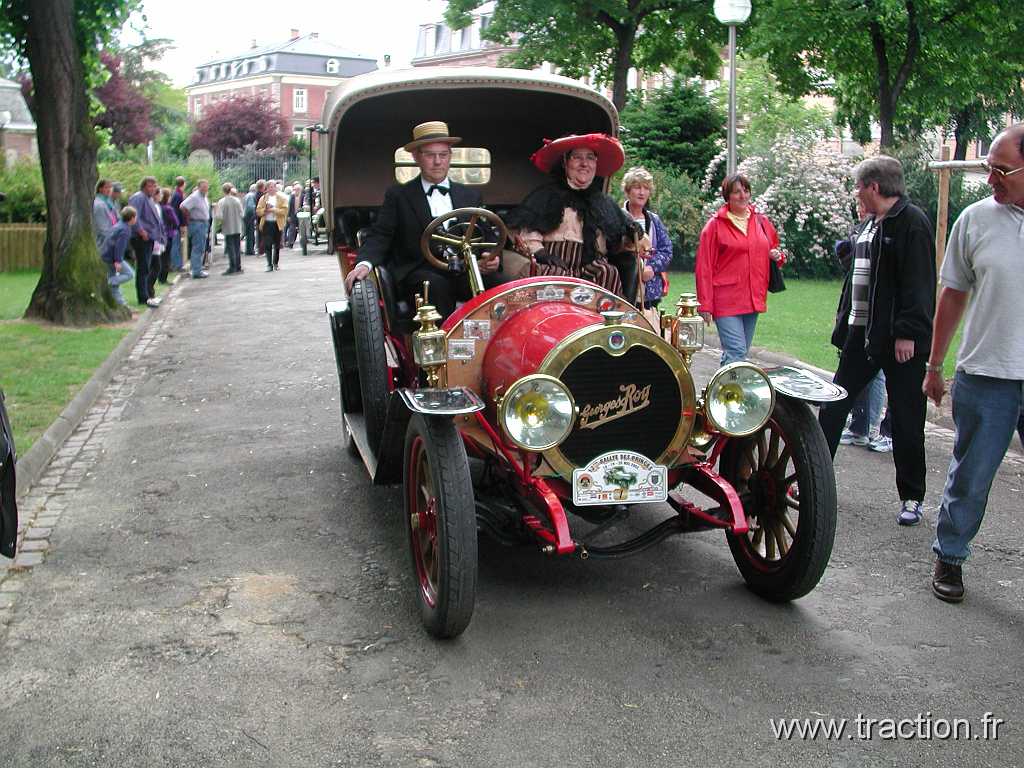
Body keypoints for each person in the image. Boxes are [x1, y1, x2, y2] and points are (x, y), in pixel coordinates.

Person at [923, 123, 1024, 603]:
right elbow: (953, 294)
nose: (990, 179)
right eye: (988, 168)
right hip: (987, 375)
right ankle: (951, 555)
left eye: (1001, 170)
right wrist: (935, 364)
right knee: (972, 475)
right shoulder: (976, 220)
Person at [818, 155, 935, 527]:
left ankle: (912, 498)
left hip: (898, 341)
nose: (856, 193)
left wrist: (907, 333)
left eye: (858, 186)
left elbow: (919, 283)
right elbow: (865, 276)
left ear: (873, 186)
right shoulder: (871, 223)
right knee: (833, 406)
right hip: (861, 336)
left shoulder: (911, 222)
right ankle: (814, 481)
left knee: (906, 419)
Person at [345, 121, 503, 318]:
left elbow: (486, 236)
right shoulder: (398, 196)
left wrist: (492, 259)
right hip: (419, 273)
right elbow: (381, 235)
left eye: (443, 155)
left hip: (463, 271)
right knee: (435, 286)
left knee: (501, 285)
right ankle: (437, 347)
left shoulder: (470, 196)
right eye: (430, 155)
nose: (438, 162)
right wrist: (364, 264)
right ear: (415, 157)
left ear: (450, 156)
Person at [695, 173, 786, 365]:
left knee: (739, 353)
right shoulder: (714, 226)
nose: (743, 196)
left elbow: (774, 250)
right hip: (726, 299)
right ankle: (729, 393)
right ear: (727, 197)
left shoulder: (761, 221)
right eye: (737, 192)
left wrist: (776, 256)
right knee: (736, 351)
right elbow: (704, 267)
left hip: (753, 298)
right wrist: (705, 305)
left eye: (746, 191)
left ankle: (724, 392)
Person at [621, 167, 672, 309]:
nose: (642, 192)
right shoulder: (617, 218)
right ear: (627, 191)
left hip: (650, 292)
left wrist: (650, 267)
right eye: (637, 188)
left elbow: (666, 251)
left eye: (646, 188)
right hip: (622, 290)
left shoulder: (654, 220)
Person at [127, 176, 166, 307]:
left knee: (147, 267)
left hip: (150, 237)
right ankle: (143, 297)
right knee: (143, 267)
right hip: (141, 237)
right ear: (144, 186)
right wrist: (141, 231)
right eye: (150, 186)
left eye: (154, 186)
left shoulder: (148, 199)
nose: (153, 188)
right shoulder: (139, 197)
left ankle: (148, 293)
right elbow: (134, 216)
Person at [100, 205, 137, 306]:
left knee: (115, 286)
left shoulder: (119, 225)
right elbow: (119, 246)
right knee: (130, 274)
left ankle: (122, 304)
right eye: (135, 217)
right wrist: (118, 261)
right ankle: (107, 282)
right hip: (111, 257)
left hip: (106, 255)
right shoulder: (125, 230)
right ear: (132, 217)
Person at [179, 180, 211, 279]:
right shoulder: (194, 197)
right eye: (203, 187)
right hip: (197, 223)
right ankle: (196, 271)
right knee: (198, 247)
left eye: (206, 187)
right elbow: (183, 206)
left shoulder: (203, 196)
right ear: (199, 187)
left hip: (203, 223)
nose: (205, 188)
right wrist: (189, 217)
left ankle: (197, 268)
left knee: (200, 247)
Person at [256, 180, 288, 272]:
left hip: (277, 224)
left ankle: (275, 263)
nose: (271, 189)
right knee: (268, 244)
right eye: (269, 187)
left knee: (277, 245)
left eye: (272, 187)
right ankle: (269, 264)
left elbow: (284, 211)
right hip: (267, 223)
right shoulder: (263, 198)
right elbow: (258, 211)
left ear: (275, 188)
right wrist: (265, 211)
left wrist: (273, 209)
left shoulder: (282, 198)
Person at [218, 183, 245, 275]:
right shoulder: (237, 200)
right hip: (237, 225)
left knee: (230, 247)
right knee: (237, 246)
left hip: (227, 226)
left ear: (223, 191)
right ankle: (238, 266)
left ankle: (232, 266)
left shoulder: (221, 202)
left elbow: (219, 216)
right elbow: (242, 213)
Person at [159, 188, 181, 277]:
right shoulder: (168, 209)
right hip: (168, 233)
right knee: (166, 256)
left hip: (159, 233)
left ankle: (160, 275)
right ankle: (164, 277)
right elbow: (176, 221)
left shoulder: (158, 207)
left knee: (160, 256)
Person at [92, 179, 118, 248]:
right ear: (100, 189)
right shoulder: (99, 204)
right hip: (104, 242)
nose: (109, 189)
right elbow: (102, 228)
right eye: (106, 187)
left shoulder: (108, 202)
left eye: (110, 187)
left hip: (111, 237)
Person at [243, 183, 258, 255]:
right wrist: (255, 214)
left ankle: (249, 249)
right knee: (250, 234)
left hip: (246, 216)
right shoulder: (252, 196)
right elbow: (250, 207)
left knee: (249, 234)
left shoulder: (247, 195)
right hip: (249, 216)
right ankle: (250, 250)